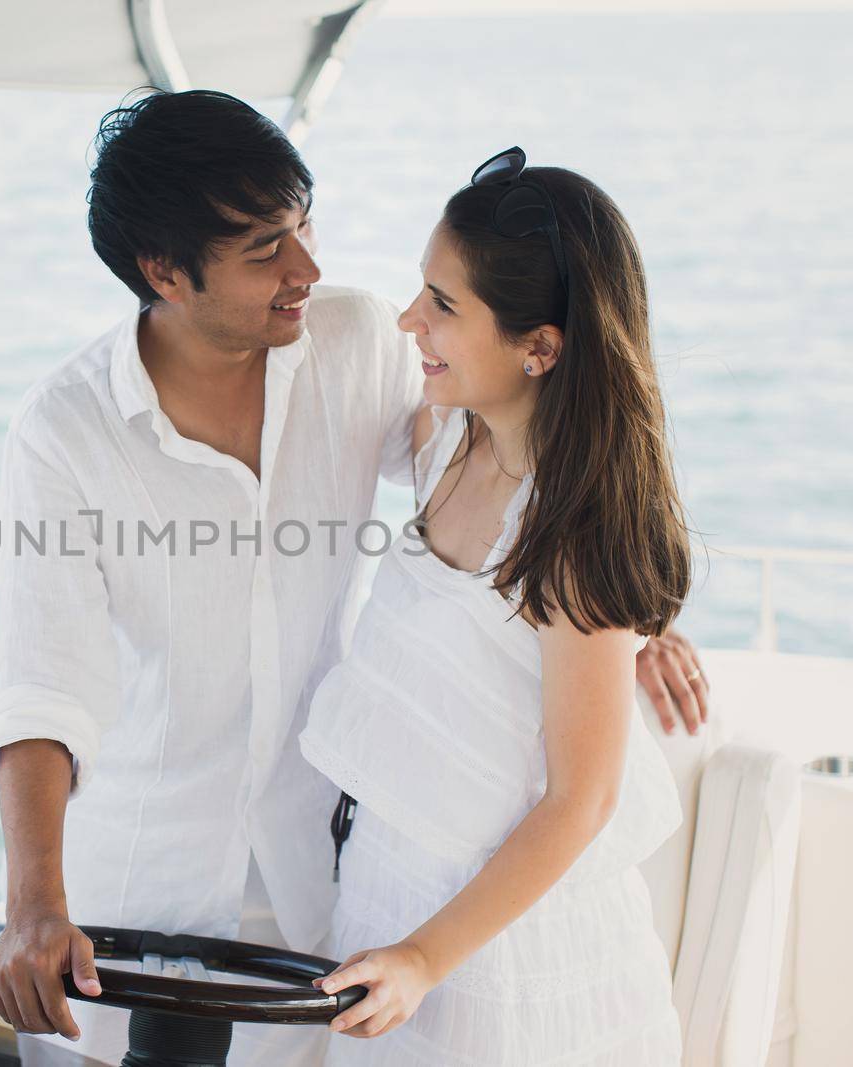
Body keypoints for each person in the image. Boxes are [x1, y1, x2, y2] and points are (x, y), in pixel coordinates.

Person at [0, 93, 706, 1066]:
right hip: (131, 890)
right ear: (165, 272)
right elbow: (45, 686)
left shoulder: (355, 339)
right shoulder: (64, 431)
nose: (307, 269)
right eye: (266, 248)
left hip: (319, 885)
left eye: (303, 224)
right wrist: (34, 906)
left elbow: (513, 435)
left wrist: (634, 609)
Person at [300, 148, 691, 1065]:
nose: (408, 321)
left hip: (497, 941)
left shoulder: (576, 532)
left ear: (540, 347)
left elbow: (580, 800)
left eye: (442, 303)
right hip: (390, 884)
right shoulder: (447, 438)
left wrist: (424, 957)